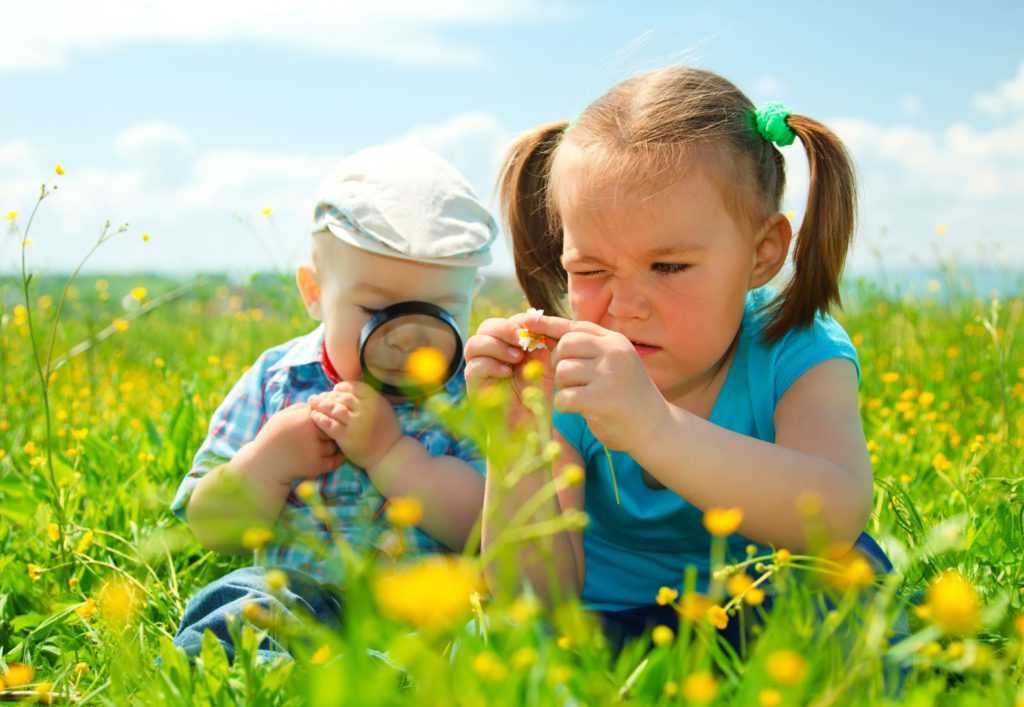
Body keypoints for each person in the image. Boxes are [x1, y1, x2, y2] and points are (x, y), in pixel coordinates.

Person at [464, 66, 895, 651]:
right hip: (611, 625)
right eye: (589, 271)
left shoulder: (796, 347)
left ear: (762, 253)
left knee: (851, 596)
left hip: (771, 613)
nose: (626, 308)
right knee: (490, 644)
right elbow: (533, 600)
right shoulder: (565, 373)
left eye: (668, 267)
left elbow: (836, 517)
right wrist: (513, 438)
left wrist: (652, 428)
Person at [170, 143, 497, 661]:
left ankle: (399, 683)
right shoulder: (279, 379)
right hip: (297, 601)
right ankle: (267, 677)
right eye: (375, 308)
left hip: (428, 611)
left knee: (489, 632)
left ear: (472, 295)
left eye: (440, 311)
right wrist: (267, 461)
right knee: (240, 598)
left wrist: (392, 456)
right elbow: (210, 524)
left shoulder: (473, 390)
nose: (408, 336)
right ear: (314, 291)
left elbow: (486, 529)